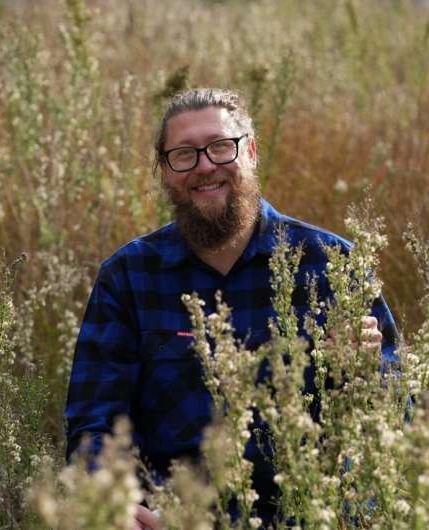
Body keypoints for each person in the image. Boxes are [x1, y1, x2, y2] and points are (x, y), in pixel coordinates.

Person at [64, 88, 398, 529]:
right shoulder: (128, 277)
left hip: (307, 512)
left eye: (221, 147)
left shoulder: (330, 264)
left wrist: (364, 374)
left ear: (252, 151)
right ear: (164, 171)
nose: (204, 166)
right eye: (184, 154)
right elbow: (94, 424)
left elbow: (394, 413)